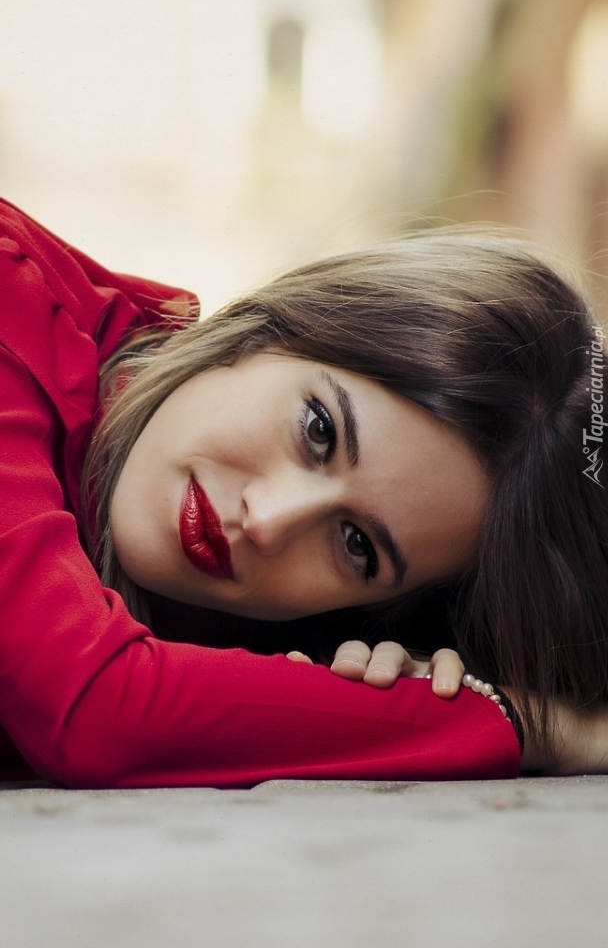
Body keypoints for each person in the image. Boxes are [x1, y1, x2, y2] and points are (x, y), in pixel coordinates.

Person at [0, 195, 602, 787]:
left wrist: (397, 686)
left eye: (357, 545)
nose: (267, 521)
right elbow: (92, 706)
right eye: (318, 430)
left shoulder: (233, 631)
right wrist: (532, 725)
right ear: (272, 327)